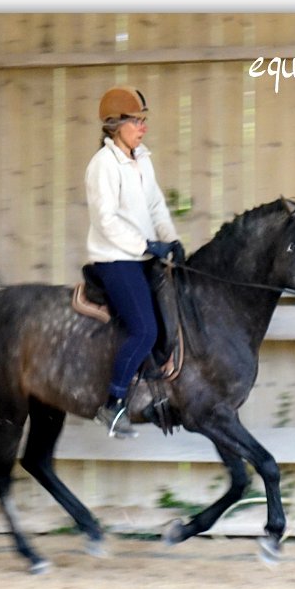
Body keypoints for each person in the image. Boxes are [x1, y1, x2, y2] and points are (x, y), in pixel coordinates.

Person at [85, 86, 185, 439]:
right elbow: (106, 221)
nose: (143, 126)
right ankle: (112, 405)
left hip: (143, 254)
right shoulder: (102, 166)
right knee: (145, 330)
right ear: (115, 125)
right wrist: (147, 245)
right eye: (136, 120)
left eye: (143, 119)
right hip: (116, 259)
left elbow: (156, 205)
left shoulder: (142, 158)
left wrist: (170, 239)